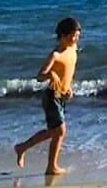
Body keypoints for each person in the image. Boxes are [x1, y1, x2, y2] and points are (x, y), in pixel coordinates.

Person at [14, 17, 81, 175]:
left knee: (53, 132)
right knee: (60, 131)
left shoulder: (73, 48)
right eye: (73, 35)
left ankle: (22, 147)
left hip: (61, 96)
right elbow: (39, 76)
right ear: (63, 36)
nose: (76, 38)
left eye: (78, 35)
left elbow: (68, 70)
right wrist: (51, 74)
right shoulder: (55, 55)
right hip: (51, 97)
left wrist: (68, 88)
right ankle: (51, 167)